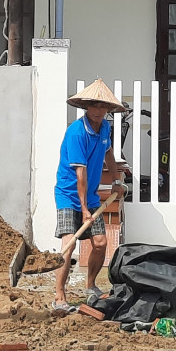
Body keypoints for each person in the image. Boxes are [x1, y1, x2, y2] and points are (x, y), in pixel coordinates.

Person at [53, 78, 128, 311]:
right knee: (70, 243)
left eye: (102, 107)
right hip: (68, 195)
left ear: (108, 109)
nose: (97, 111)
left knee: (100, 242)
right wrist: (84, 210)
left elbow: (109, 155)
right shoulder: (77, 133)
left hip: (91, 196)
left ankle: (91, 285)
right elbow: (80, 175)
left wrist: (116, 181)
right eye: (93, 106)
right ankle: (59, 296)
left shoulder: (104, 128)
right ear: (86, 107)